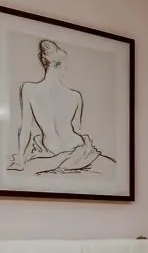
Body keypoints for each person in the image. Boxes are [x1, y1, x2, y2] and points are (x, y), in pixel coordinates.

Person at [7, 39, 115, 175]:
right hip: (78, 147)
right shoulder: (75, 96)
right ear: (60, 65)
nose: (67, 69)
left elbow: (25, 128)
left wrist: (21, 159)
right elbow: (77, 128)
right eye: (65, 65)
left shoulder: (28, 89)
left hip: (54, 150)